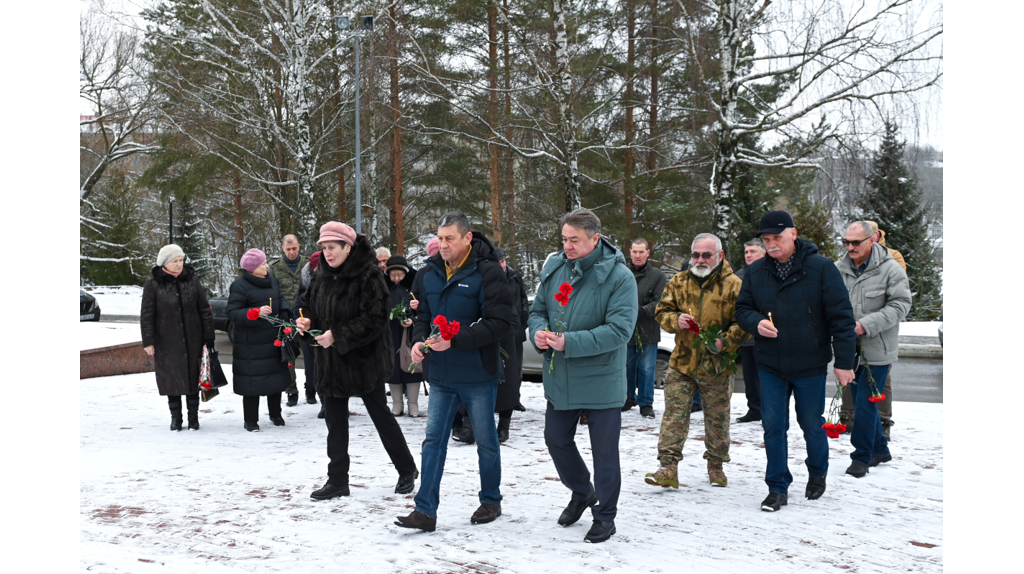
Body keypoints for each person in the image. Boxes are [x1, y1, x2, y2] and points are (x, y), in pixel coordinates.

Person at [394, 212, 513, 532]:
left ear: (467, 238)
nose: (443, 244)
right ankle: (425, 511)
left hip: (478, 374)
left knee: (486, 441)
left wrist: (455, 340)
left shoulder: (487, 272)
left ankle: (490, 500)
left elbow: (501, 323)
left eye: (449, 239)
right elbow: (424, 316)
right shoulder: (428, 273)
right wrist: (419, 342)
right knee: (433, 441)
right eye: (440, 238)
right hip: (442, 374)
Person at [734, 210, 856, 512]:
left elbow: (842, 319)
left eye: (777, 237)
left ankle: (817, 473)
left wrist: (844, 362)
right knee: (773, 426)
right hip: (770, 363)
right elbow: (742, 308)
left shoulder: (821, 269)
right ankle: (777, 487)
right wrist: (756, 322)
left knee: (811, 425)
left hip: (809, 363)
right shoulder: (757, 270)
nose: (772, 244)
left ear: (793, 233)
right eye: (766, 239)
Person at [528, 208, 638, 544]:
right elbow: (538, 310)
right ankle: (582, 491)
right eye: (564, 239)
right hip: (562, 375)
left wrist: (568, 342)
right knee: (556, 440)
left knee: (604, 452)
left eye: (574, 240)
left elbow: (619, 331)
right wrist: (539, 332)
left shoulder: (619, 277)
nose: (567, 246)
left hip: (601, 378)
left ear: (595, 238)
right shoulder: (555, 266)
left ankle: (605, 516)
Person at [296, 222, 419, 500]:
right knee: (335, 424)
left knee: (381, 417)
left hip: (365, 361)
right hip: (331, 362)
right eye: (324, 248)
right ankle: (337, 480)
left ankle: (407, 469)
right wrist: (305, 321)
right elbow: (305, 304)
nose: (327, 253)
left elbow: (375, 319)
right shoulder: (320, 275)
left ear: (347, 247)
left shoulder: (370, 275)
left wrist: (338, 336)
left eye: (332, 247)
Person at [645, 233, 747, 489]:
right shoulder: (679, 281)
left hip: (717, 366)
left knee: (717, 419)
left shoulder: (734, 285)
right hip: (682, 362)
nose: (699, 260)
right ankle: (667, 467)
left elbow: (744, 322)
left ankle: (716, 465)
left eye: (706, 255)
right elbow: (662, 311)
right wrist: (674, 320)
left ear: (720, 256)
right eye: (695, 255)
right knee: (674, 416)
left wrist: (725, 341)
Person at [836, 221, 911, 478]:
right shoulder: (839, 268)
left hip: (877, 349)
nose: (850, 247)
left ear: (873, 240)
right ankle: (880, 448)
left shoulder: (891, 269)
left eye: (856, 242)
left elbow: (901, 305)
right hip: (848, 349)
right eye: (846, 242)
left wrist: (865, 325)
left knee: (865, 404)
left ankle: (861, 457)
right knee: (860, 399)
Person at [140, 244, 216, 431]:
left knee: (192, 379)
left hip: (193, 338)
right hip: (167, 340)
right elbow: (147, 314)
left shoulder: (192, 279)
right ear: (165, 263)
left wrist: (208, 335)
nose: (179, 264)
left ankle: (193, 418)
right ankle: (176, 418)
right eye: (175, 261)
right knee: (171, 379)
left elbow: (204, 309)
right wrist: (148, 341)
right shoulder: (153, 283)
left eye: (181, 260)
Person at [226, 248, 293, 432]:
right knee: (251, 384)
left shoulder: (271, 281)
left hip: (273, 340)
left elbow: (281, 299)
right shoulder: (239, 286)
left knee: (275, 381)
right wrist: (255, 312)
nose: (267, 266)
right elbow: (232, 312)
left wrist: (286, 313)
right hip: (251, 345)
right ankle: (251, 420)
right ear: (253, 268)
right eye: (263, 263)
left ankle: (275, 414)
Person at [623, 238, 667, 419]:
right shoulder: (623, 273)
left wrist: (641, 311)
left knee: (647, 369)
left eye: (641, 252)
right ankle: (627, 398)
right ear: (630, 252)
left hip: (648, 329)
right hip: (626, 330)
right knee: (626, 366)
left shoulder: (657, 276)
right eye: (635, 252)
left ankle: (646, 402)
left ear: (648, 253)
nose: (638, 255)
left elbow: (660, 302)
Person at [269, 234, 310, 407]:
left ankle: (312, 388)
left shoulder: (309, 265)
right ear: (283, 249)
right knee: (289, 358)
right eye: (288, 249)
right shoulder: (275, 268)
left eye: (294, 249)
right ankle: (291, 391)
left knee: (311, 356)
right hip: (287, 320)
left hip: (307, 317)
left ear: (299, 247)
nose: (292, 252)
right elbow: (273, 293)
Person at [494, 247, 529, 443]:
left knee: (514, 371)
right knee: (500, 374)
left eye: (504, 261)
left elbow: (522, 298)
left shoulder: (515, 276)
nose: (502, 264)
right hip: (497, 332)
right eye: (499, 261)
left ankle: (515, 400)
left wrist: (523, 319)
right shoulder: (490, 278)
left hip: (514, 330)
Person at [385, 255, 424, 417]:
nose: (396, 278)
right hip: (391, 333)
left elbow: (423, 309)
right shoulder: (384, 288)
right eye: (393, 275)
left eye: (399, 275)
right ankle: (397, 404)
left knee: (412, 365)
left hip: (410, 333)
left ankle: (413, 404)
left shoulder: (414, 287)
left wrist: (412, 319)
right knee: (393, 368)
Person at [735, 238, 766, 423]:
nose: (748, 255)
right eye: (746, 252)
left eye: (753, 251)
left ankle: (768, 410)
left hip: (765, 334)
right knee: (749, 375)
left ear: (764, 253)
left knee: (767, 376)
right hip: (745, 335)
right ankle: (754, 409)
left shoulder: (770, 273)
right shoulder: (738, 276)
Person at [294, 251, 324, 418]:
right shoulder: (306, 282)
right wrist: (301, 319)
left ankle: (337, 404)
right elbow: (298, 305)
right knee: (315, 369)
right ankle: (324, 403)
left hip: (330, 333)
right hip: (311, 333)